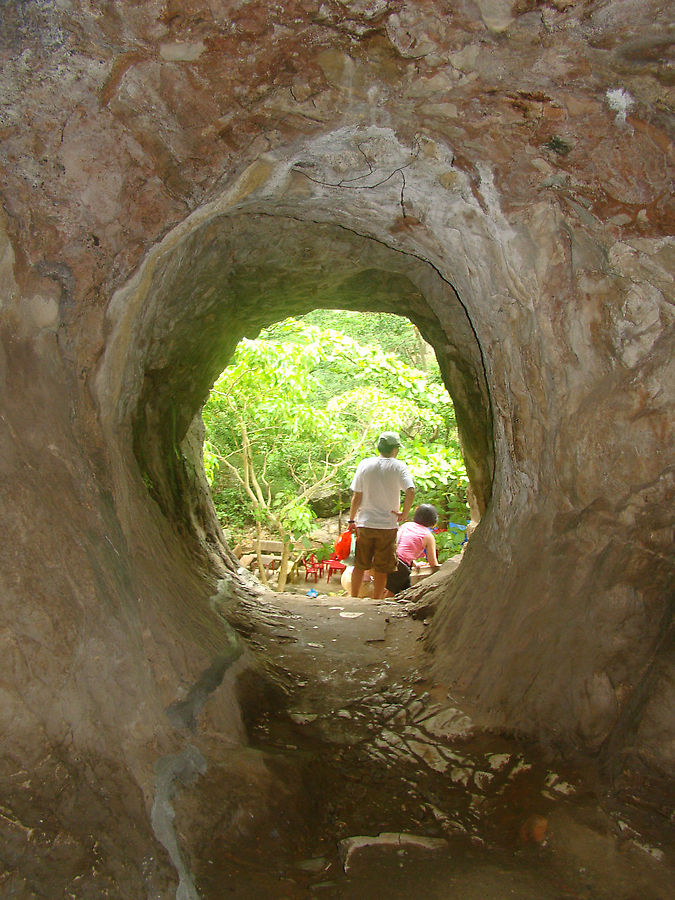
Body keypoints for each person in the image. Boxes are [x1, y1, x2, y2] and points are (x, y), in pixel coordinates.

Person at [347, 431, 415, 600]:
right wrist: (404, 513)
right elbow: (411, 490)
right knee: (382, 567)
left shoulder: (365, 464)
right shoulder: (399, 466)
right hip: (387, 526)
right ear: (394, 449)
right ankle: (377, 601)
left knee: (360, 565)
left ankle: (354, 598)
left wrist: (351, 519)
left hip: (365, 523)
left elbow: (357, 496)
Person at [386, 503, 440, 595]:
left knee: (405, 588)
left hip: (388, 557)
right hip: (400, 566)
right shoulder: (428, 536)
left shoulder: (407, 525)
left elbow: (400, 548)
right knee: (391, 592)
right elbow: (433, 563)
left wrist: (414, 564)